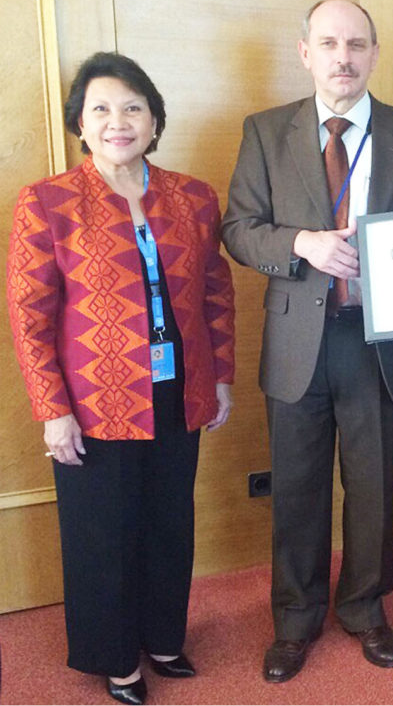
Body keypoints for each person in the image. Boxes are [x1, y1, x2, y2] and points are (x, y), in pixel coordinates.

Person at [221, 0, 393, 682]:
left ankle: (364, 607)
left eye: (356, 44)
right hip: (299, 338)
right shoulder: (266, 132)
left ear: (374, 53)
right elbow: (238, 228)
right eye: (329, 43)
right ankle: (294, 618)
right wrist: (302, 243)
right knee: (296, 485)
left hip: (381, 338)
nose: (343, 56)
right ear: (306, 52)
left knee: (376, 482)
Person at [6, 51, 235, 705]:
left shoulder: (192, 196)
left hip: (178, 389)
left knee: (170, 521)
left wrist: (219, 376)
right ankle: (116, 658)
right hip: (93, 399)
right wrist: (52, 409)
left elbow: (216, 291)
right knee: (102, 532)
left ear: (156, 120)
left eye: (133, 106)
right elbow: (29, 314)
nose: (118, 120)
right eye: (101, 107)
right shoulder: (47, 202)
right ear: (81, 121)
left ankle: (164, 636)